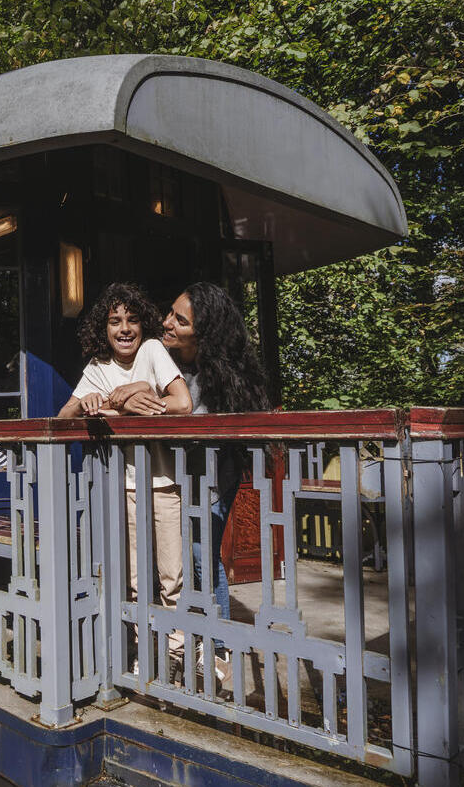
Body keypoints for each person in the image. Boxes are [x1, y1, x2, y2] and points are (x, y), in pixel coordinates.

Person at [57, 283, 191, 666]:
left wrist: (138, 389)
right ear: (103, 328)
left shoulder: (152, 351)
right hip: (123, 485)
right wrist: (87, 403)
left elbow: (183, 403)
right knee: (134, 579)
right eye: (115, 321)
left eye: (132, 319)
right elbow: (64, 417)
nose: (124, 328)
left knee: (172, 577)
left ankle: (176, 654)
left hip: (164, 483)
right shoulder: (97, 369)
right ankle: (144, 654)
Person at [158, 281, 271, 676]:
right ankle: (193, 636)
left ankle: (218, 644)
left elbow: (197, 427)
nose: (167, 322)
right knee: (183, 559)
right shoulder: (168, 363)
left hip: (209, 483)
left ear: (203, 333)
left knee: (203, 558)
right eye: (170, 313)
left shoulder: (219, 376)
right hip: (173, 479)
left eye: (180, 320)